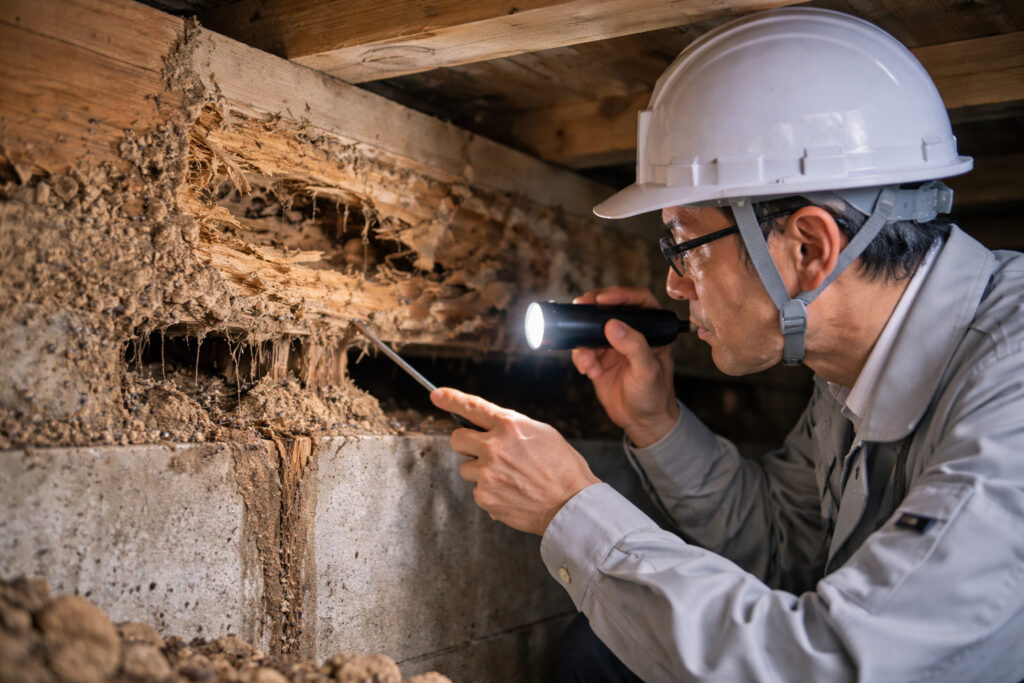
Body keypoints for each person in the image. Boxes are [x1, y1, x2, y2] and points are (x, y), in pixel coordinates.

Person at [431, 7, 1024, 682]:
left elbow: (827, 666)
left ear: (807, 249)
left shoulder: (1011, 396)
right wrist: (656, 424)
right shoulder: (851, 372)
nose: (673, 284)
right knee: (602, 648)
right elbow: (785, 549)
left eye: (686, 247)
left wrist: (573, 509)